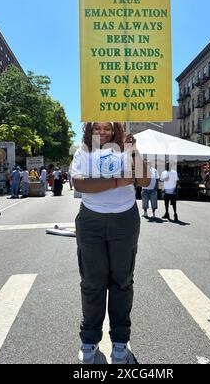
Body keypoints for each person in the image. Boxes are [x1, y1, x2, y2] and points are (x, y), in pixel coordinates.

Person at [71, 122, 150, 364]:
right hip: (90, 219)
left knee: (122, 282)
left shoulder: (127, 148)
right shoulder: (83, 150)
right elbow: (80, 184)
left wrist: (133, 151)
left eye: (107, 128)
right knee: (92, 282)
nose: (102, 132)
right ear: (90, 130)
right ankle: (90, 339)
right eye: (97, 128)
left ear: (115, 129)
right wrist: (119, 181)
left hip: (125, 219)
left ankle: (119, 341)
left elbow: (144, 181)